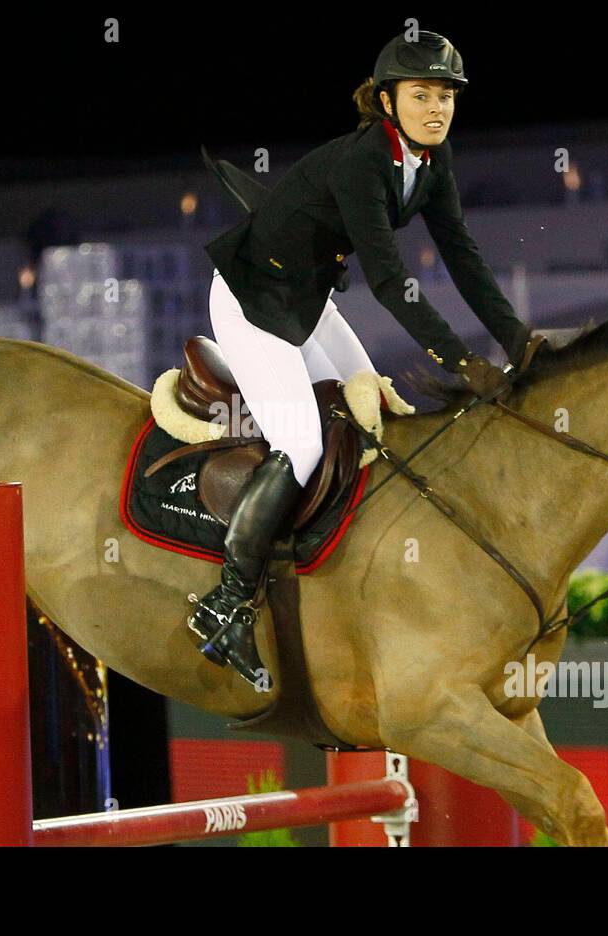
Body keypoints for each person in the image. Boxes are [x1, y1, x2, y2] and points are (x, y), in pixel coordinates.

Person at [189, 29, 543, 683]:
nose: (437, 109)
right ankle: (226, 604)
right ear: (386, 100)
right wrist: (462, 361)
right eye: (421, 95)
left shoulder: (433, 163)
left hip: (307, 296)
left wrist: (519, 340)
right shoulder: (363, 162)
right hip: (251, 297)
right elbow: (388, 280)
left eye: (446, 96)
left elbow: (461, 255)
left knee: (368, 405)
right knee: (303, 443)